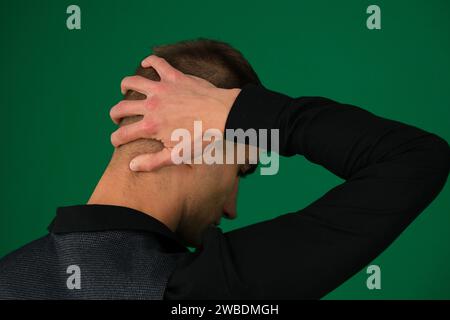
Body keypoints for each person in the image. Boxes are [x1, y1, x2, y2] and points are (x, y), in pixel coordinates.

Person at [0, 39, 449, 299]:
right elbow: (415, 157)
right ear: (196, 140)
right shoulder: (204, 292)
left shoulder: (10, 275)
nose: (233, 208)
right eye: (242, 170)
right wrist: (238, 111)